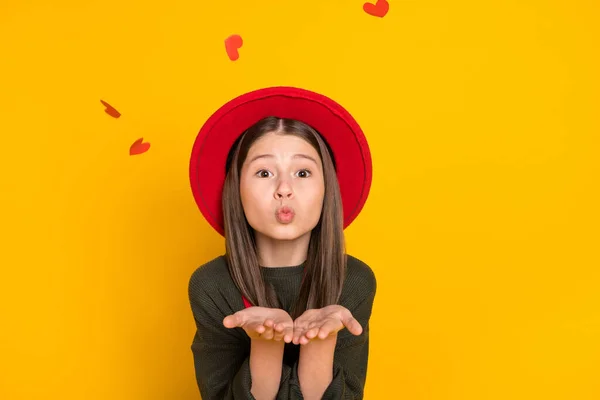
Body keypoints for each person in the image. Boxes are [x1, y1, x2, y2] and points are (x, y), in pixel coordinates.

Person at [187, 86, 377, 399]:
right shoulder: (211, 285)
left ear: (327, 189)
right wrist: (265, 346)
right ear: (236, 191)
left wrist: (320, 344)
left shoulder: (354, 281)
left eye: (302, 172)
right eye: (264, 172)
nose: (284, 189)